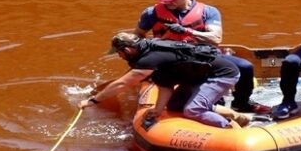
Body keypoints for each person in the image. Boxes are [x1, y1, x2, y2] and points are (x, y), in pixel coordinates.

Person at [133, 0, 269, 114]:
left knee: (245, 67)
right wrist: (148, 56)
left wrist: (187, 31)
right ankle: (210, 102)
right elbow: (138, 35)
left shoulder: (208, 12)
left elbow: (216, 38)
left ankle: (241, 103)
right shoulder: (151, 14)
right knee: (177, 102)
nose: (167, 2)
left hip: (204, 55)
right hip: (171, 59)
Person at [78, 33, 249, 128]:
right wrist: (157, 111)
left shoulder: (148, 60)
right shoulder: (148, 51)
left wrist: (93, 100)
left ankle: (229, 128)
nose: (119, 56)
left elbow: (123, 83)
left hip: (220, 74)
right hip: (198, 74)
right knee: (175, 106)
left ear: (128, 50)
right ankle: (238, 117)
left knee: (193, 110)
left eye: (119, 53)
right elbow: (165, 86)